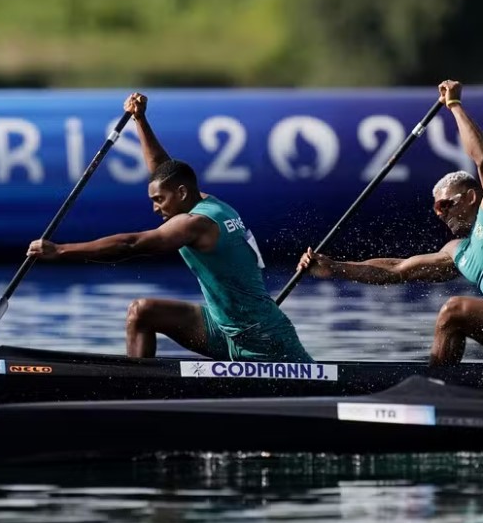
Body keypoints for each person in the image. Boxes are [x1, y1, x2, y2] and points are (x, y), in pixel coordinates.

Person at [297, 80, 483, 366]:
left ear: (470, 197)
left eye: (445, 204)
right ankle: (446, 380)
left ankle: (436, 384)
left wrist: (455, 105)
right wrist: (334, 267)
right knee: (454, 318)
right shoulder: (458, 251)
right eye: (435, 209)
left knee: (454, 310)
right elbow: (395, 271)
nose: (440, 214)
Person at [28, 92, 312, 363]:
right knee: (141, 312)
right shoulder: (203, 200)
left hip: (264, 340)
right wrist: (140, 119)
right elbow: (164, 169)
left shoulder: (197, 223)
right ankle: (134, 388)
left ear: (182, 193)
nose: (155, 208)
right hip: (222, 330)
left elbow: (131, 244)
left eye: (159, 200)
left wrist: (61, 251)